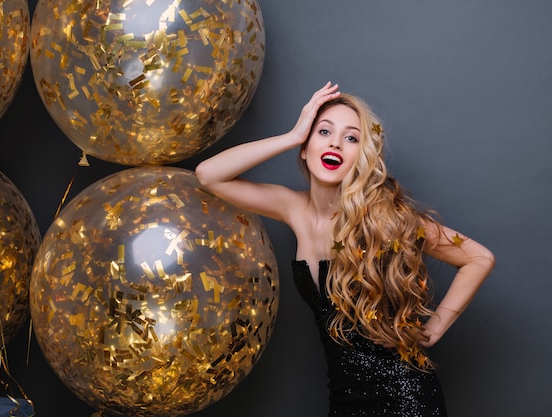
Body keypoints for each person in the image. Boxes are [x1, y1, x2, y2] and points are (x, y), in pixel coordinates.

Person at [195, 82, 495, 416]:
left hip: (405, 398)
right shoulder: (292, 208)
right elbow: (209, 175)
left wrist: (435, 328)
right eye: (323, 131)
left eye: (351, 138)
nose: (336, 142)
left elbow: (478, 258)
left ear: (362, 157)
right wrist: (293, 134)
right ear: (306, 149)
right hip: (343, 399)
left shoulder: (387, 219)